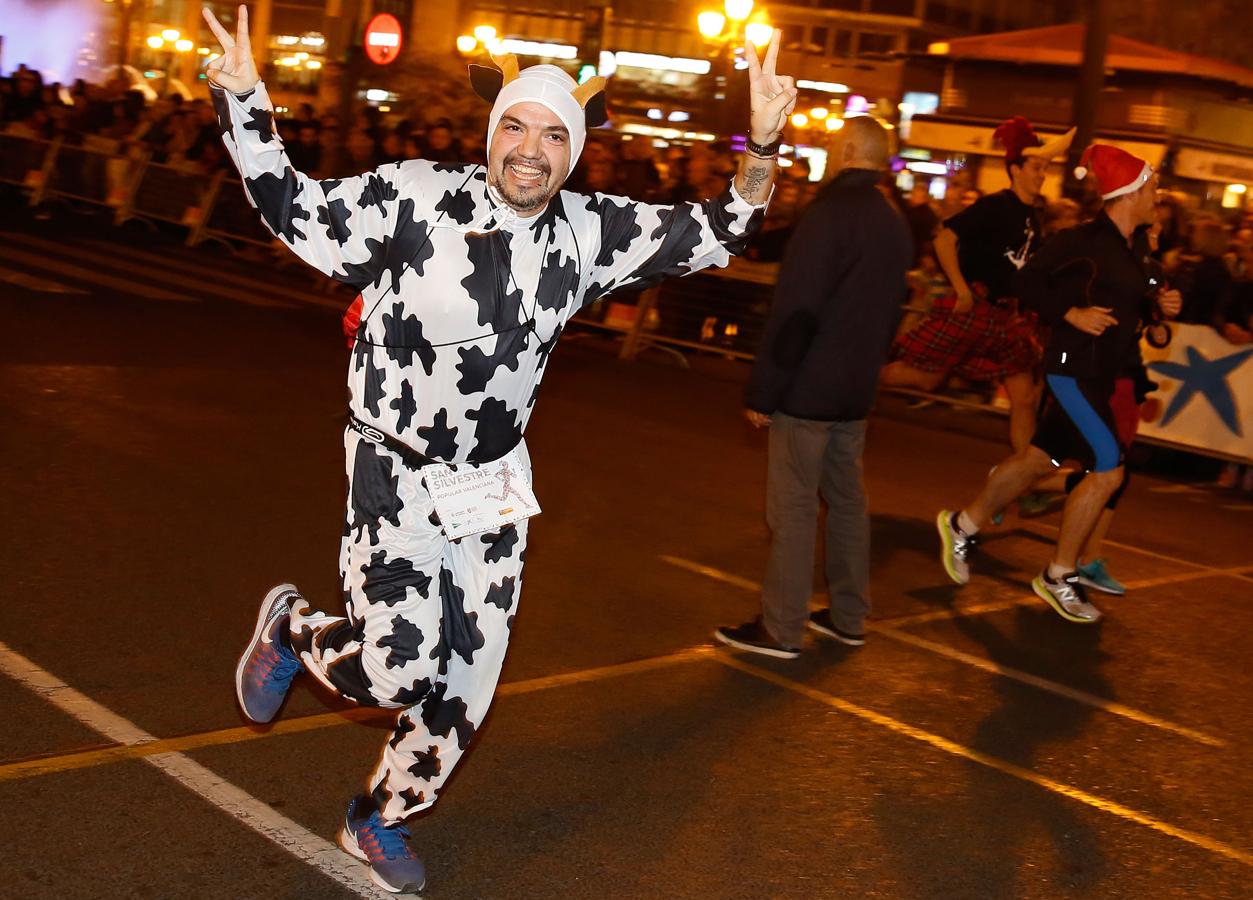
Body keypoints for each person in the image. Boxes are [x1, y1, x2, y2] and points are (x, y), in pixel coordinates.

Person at [204, 6, 795, 893]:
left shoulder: (589, 233)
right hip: (392, 470)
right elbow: (293, 206)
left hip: (492, 486)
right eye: (514, 125)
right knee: (397, 672)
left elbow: (717, 231)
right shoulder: (413, 198)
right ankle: (292, 626)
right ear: (490, 133)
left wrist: (759, 145)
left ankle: (379, 817)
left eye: (555, 134)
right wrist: (247, 98)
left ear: (576, 150)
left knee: (465, 686)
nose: (531, 147)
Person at [937, 144, 1163, 624]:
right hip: (1071, 366)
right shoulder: (1084, 240)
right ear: (1130, 193)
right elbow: (1028, 282)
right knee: (1108, 469)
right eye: (1153, 186)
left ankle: (963, 523)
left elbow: (1141, 298)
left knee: (1039, 459)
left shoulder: (1133, 248)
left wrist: (1162, 307)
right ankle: (1060, 575)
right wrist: (1071, 313)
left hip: (1100, 375)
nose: (1158, 195)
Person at [714, 117, 912, 658]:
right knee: (847, 502)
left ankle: (781, 626)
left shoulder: (829, 216)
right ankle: (849, 615)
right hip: (855, 389)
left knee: (794, 508)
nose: (825, 151)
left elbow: (795, 312)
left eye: (830, 144)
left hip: (809, 388)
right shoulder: (892, 221)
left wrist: (763, 391)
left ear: (848, 150)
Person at [882, 118, 1074, 453]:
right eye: (1036, 166)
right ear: (1015, 169)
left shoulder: (1034, 216)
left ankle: (1026, 478)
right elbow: (944, 240)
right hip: (977, 308)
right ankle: (849, 379)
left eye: (1045, 167)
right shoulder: (995, 205)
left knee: (1025, 398)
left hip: (1006, 317)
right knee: (925, 378)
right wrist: (961, 289)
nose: (1042, 173)